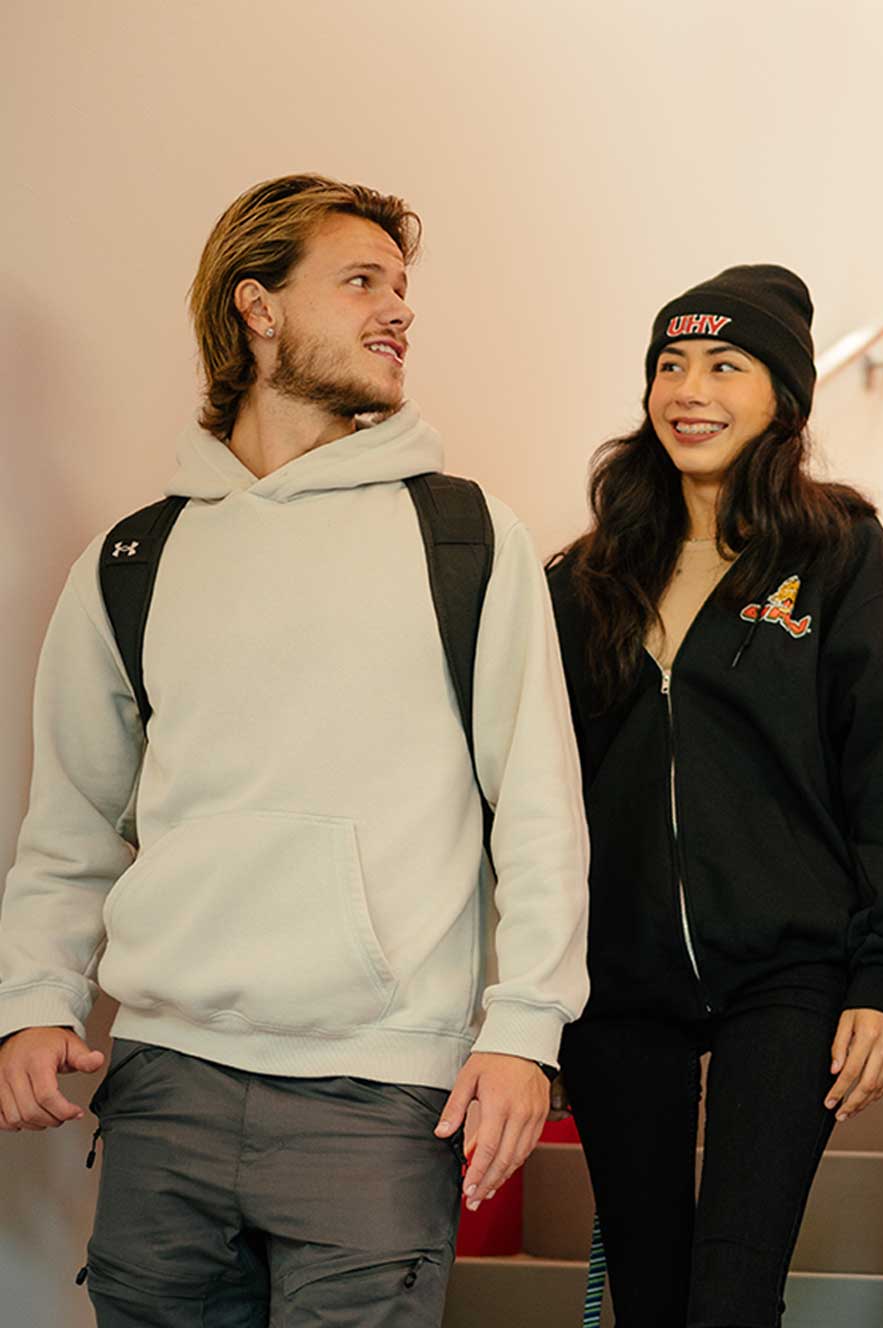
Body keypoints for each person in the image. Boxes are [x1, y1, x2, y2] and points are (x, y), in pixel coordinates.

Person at [0, 173, 590, 1325]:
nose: (397, 311)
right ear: (256, 308)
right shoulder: (135, 558)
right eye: (361, 281)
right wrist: (34, 995)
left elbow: (537, 809)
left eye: (402, 289)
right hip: (166, 1079)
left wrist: (525, 1029)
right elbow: (69, 820)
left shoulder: (463, 536)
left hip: (379, 1090)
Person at [548, 263, 883, 1327]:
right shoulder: (583, 579)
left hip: (791, 968)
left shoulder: (840, 558)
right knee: (648, 1290)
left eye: (726, 365)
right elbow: (535, 797)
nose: (691, 389)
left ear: (785, 395)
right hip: (616, 978)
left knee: (730, 1292)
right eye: (670, 364)